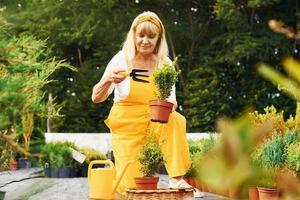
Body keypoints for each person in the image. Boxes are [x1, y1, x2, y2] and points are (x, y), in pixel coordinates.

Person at [91, 11, 203, 198]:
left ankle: (176, 178)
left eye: (151, 36)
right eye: (141, 35)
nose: (145, 40)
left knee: (175, 119)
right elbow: (96, 97)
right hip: (127, 126)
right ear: (133, 35)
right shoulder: (121, 59)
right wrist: (108, 80)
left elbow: (171, 102)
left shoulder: (165, 64)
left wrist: (170, 104)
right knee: (131, 187)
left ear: (158, 39)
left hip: (154, 120)